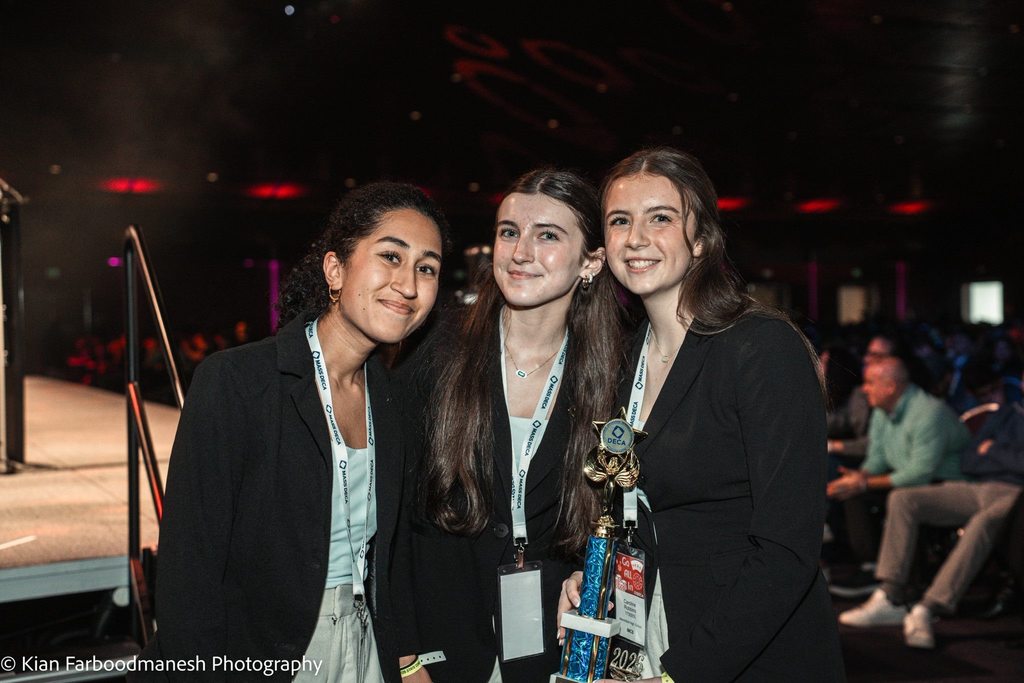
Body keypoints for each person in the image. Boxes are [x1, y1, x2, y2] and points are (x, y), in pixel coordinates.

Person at [134, 182, 449, 682]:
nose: (408, 284)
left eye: (426, 268)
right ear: (335, 270)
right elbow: (189, 570)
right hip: (265, 652)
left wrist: (409, 660)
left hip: (368, 642)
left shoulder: (394, 400)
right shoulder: (237, 382)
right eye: (391, 256)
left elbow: (393, 556)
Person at [561, 147, 845, 682]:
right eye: (620, 221)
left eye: (660, 218)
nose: (635, 238)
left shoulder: (760, 347)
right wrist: (593, 574)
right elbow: (644, 507)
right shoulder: (623, 359)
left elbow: (787, 550)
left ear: (700, 240)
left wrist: (683, 673)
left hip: (743, 650)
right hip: (651, 627)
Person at [398, 169, 623, 682]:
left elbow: (617, 515)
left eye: (548, 235)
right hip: (438, 642)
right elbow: (390, 516)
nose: (521, 252)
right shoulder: (433, 348)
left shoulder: (614, 373)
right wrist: (405, 656)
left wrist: (588, 575)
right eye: (509, 231)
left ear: (591, 261)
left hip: (553, 647)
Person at [838, 383, 1024, 648]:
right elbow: (969, 459)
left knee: (983, 523)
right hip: (978, 485)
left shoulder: (930, 411)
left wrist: (992, 451)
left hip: (1015, 493)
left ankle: (929, 606)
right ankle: (891, 595)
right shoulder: (1007, 413)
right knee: (904, 499)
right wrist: (998, 456)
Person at [828, 357, 970, 596]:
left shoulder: (928, 413)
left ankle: (901, 584)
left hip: (945, 483)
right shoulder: (882, 411)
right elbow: (877, 457)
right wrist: (859, 477)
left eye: (870, 382)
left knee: (893, 496)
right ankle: (870, 566)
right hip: (908, 478)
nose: (864, 389)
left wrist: (864, 483)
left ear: (890, 387)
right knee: (851, 493)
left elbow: (921, 472)